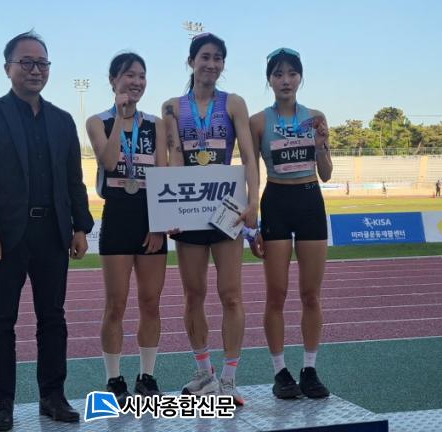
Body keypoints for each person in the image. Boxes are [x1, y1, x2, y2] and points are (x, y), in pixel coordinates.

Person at [0, 30, 94, 430]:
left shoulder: (62, 121)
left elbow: (73, 180)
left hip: (52, 233)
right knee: (1, 321)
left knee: (53, 319)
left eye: (42, 63)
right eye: (26, 62)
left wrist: (80, 226)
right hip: (6, 237)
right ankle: (2, 402)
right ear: (8, 68)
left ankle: (52, 396)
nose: (35, 70)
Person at [161, 33, 259, 406]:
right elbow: (174, 156)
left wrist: (254, 200)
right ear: (191, 61)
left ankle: (230, 379)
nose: (212, 64)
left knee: (231, 294)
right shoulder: (172, 107)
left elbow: (248, 156)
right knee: (193, 294)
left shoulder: (233, 103)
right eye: (205, 57)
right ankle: (204, 372)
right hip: (189, 208)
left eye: (218, 58)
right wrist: (171, 211)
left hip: (227, 207)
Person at [249, 47, 333, 400]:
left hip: (310, 200)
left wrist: (321, 145)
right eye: (278, 74)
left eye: (292, 73)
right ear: (269, 79)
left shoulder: (315, 117)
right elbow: (251, 173)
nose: (285, 80)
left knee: (311, 294)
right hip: (276, 202)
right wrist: (251, 224)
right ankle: (280, 371)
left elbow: (326, 174)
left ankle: (309, 369)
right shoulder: (258, 122)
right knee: (277, 294)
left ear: (300, 77)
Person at [86, 52, 168, 404]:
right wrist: (121, 118)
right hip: (117, 215)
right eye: (129, 75)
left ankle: (146, 376)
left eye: (141, 76)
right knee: (115, 304)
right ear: (113, 80)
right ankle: (114, 378)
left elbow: (162, 175)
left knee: (150, 302)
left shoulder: (156, 125)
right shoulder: (97, 122)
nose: (136, 82)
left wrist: (159, 225)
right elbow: (108, 161)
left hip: (149, 218)